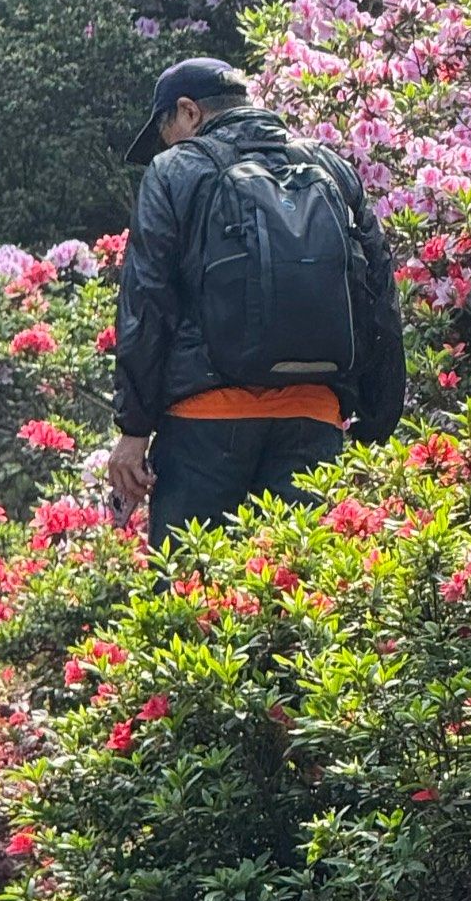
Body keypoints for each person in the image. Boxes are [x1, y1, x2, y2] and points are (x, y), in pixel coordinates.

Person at [107, 57, 406, 543]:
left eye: (168, 132)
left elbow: (148, 303)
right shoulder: (332, 167)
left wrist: (134, 429)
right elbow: (379, 294)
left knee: (190, 595)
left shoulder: (175, 169)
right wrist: (378, 411)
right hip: (314, 417)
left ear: (189, 112)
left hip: (205, 423)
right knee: (302, 594)